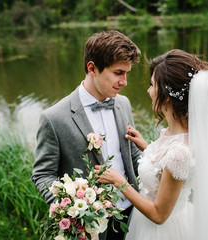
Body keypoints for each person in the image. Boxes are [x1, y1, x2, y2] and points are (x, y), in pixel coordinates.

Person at [95, 49, 208, 239]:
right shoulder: (177, 135)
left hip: (161, 231)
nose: (148, 91)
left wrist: (120, 182)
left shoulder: (179, 153)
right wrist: (148, 148)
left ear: (167, 95)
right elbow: (166, 172)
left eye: (152, 85)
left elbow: (159, 215)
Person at [31, 30, 142, 240]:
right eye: (119, 73)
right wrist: (68, 205)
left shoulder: (123, 104)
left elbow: (132, 155)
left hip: (131, 213)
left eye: (127, 74)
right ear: (92, 68)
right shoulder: (54, 118)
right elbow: (42, 174)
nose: (125, 82)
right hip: (89, 226)